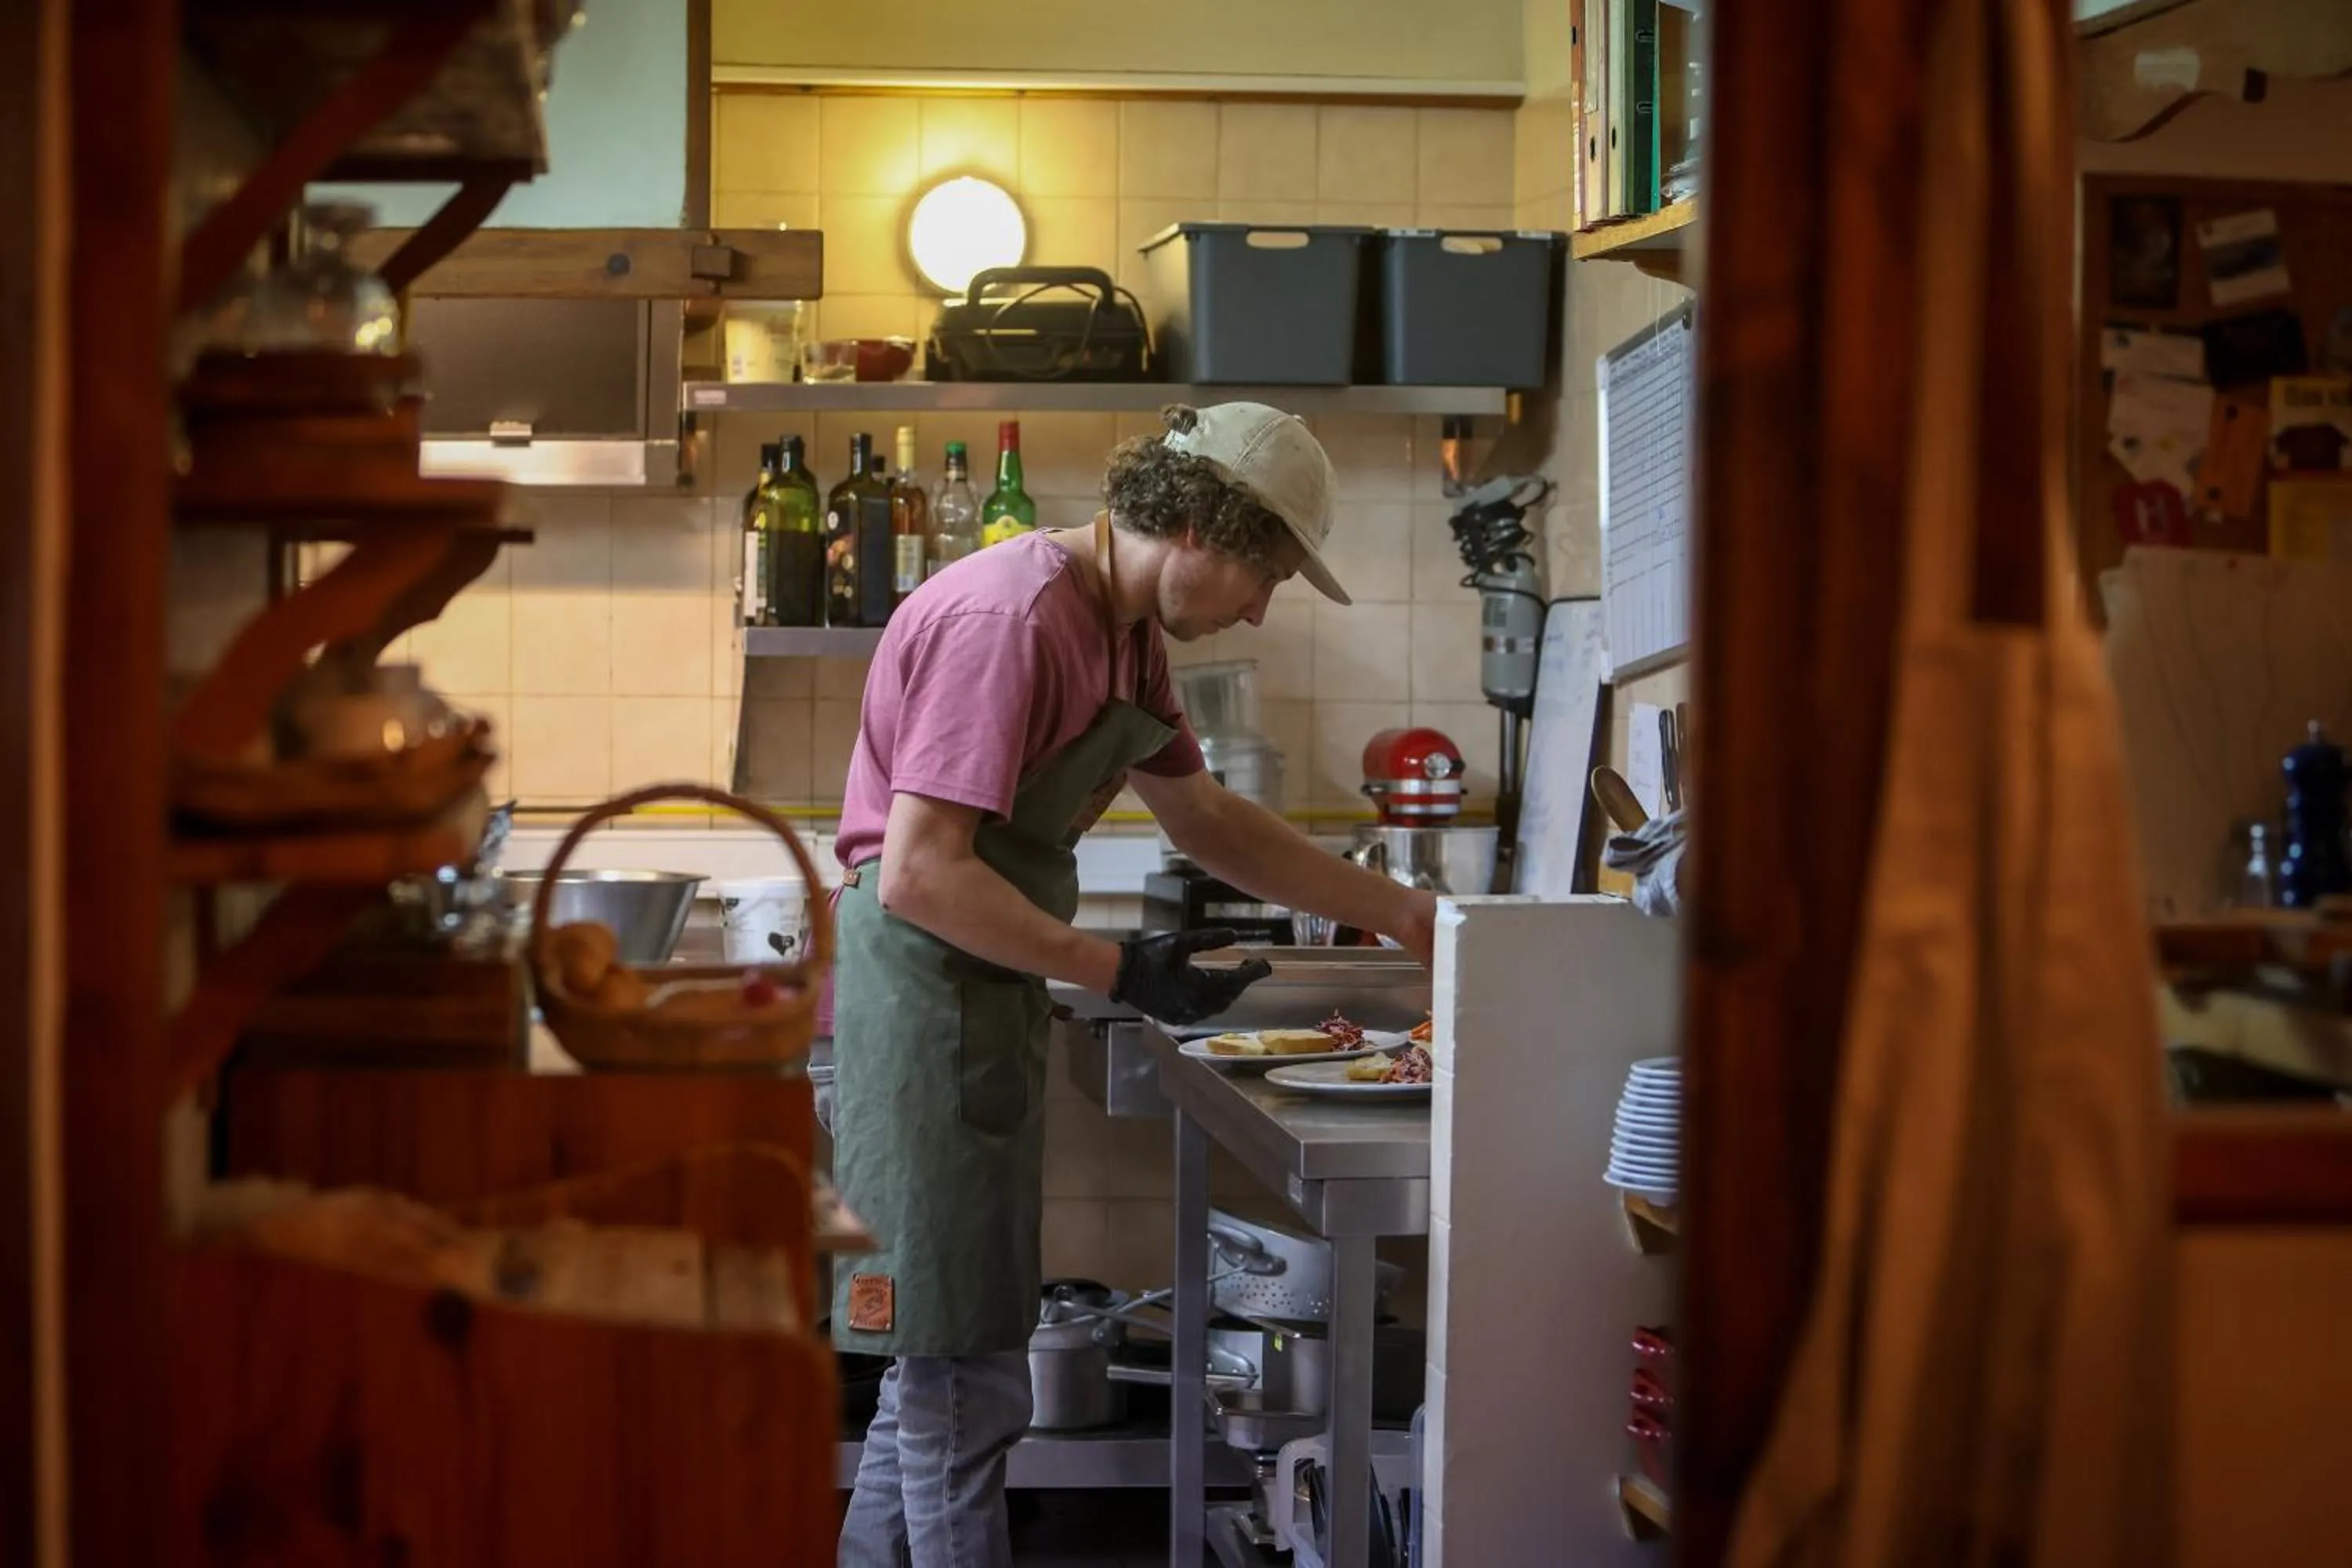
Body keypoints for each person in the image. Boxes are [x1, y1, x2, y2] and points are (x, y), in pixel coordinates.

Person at [830, 402, 1438, 1568]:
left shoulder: (1124, 635)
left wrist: (1408, 916)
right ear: (1202, 525)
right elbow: (917, 874)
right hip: (913, 1008)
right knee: (969, 1392)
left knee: (934, 1381)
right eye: (1263, 575)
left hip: (973, 1004)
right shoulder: (1010, 620)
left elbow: (1205, 818)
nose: (1261, 609)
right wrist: (1119, 969)